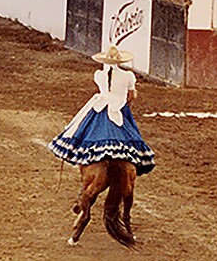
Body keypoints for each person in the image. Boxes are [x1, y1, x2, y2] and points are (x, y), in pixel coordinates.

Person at [48, 45, 156, 174]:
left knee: (84, 129)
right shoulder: (128, 76)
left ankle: (85, 156)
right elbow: (131, 95)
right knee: (131, 134)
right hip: (119, 106)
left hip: (101, 105)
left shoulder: (99, 75)